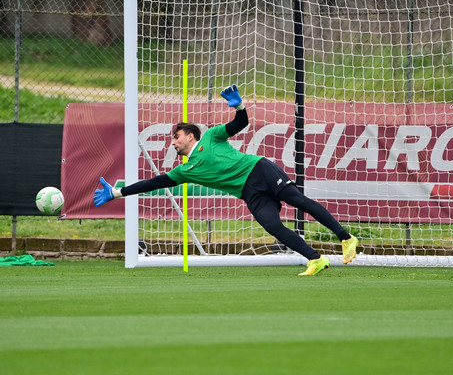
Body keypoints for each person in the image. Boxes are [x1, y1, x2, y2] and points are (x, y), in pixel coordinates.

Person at [94, 85, 358, 275]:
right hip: (249, 192)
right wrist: (118, 193)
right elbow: (152, 183)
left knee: (299, 201)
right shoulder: (184, 171)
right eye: (172, 138)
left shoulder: (211, 136)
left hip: (259, 170)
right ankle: (315, 259)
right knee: (272, 225)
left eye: (177, 136)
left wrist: (239, 107)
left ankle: (346, 238)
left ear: (190, 136)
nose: (173, 142)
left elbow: (239, 123)